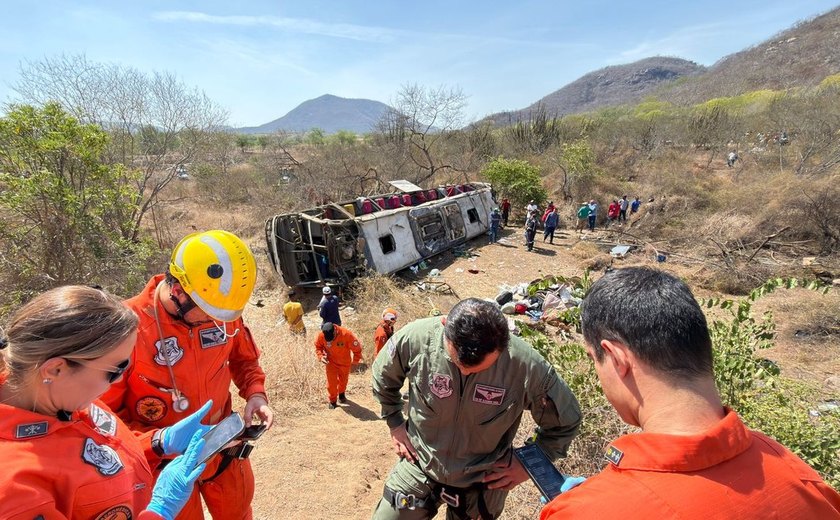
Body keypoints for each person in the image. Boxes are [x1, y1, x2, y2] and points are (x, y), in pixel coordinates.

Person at [540, 268, 840, 519]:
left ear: (616, 359)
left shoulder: (582, 512)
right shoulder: (798, 474)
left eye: (594, 359)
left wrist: (590, 504)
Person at [103, 230, 274, 520]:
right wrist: (158, 442)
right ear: (179, 292)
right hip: (166, 468)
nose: (217, 320)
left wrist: (256, 393)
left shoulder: (218, 307)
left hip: (225, 453)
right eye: (209, 313)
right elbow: (106, 421)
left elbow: (244, 359)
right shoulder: (125, 330)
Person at [0, 285, 209, 520]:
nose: (120, 378)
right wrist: (160, 511)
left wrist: (158, 443)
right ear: (56, 368)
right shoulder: (15, 492)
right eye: (114, 369)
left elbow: (96, 454)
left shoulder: (66, 396)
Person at [371, 298, 581, 519]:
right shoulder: (417, 338)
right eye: (456, 364)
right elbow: (382, 376)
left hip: (484, 477)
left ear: (504, 346)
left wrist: (527, 463)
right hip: (420, 461)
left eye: (477, 370)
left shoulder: (525, 365)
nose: (464, 374)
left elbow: (565, 422)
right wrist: (394, 421)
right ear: (444, 325)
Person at [315, 322, 362, 409]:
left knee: (343, 381)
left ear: (335, 332)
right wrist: (321, 356)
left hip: (345, 363)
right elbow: (318, 347)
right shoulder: (321, 335)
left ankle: (341, 394)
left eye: (331, 338)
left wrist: (355, 362)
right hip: (331, 362)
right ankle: (332, 401)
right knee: (332, 383)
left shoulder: (346, 334)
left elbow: (357, 350)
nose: (330, 341)